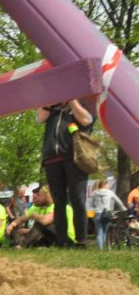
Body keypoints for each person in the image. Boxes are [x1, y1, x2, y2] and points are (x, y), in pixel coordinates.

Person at [37, 100, 93, 248]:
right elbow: (39, 118)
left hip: (75, 158)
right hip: (52, 159)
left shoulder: (84, 104)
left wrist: (72, 100)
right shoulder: (52, 107)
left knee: (77, 199)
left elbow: (86, 120)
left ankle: (81, 241)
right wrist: (51, 102)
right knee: (58, 202)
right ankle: (62, 241)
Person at [6, 186, 74, 248]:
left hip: (67, 239)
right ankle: (18, 243)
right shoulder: (42, 207)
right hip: (53, 237)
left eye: (40, 195)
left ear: (47, 196)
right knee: (32, 234)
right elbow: (22, 219)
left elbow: (45, 221)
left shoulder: (60, 207)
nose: (34, 199)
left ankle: (22, 245)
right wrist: (12, 224)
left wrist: (33, 215)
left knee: (40, 224)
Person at [87, 178, 126, 250]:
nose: (108, 186)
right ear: (104, 185)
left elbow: (91, 204)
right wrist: (123, 208)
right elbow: (118, 201)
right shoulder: (110, 192)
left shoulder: (95, 192)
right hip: (107, 214)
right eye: (107, 184)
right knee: (105, 231)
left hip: (97, 213)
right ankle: (104, 247)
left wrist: (96, 205)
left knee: (99, 232)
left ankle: (100, 249)